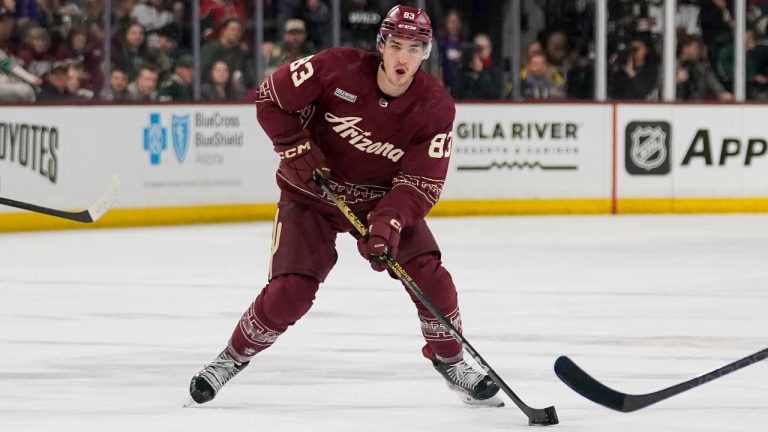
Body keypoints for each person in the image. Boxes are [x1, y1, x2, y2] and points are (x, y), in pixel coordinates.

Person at [188, 4, 504, 409]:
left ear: (427, 53)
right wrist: (295, 147)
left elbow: (420, 183)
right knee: (292, 291)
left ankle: (452, 361)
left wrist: (388, 222)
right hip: (310, 196)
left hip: (378, 202)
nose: (403, 57)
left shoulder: (436, 107)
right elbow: (270, 97)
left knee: (430, 275)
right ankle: (231, 357)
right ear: (381, 45)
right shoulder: (335, 68)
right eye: (396, 45)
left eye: (415, 47)